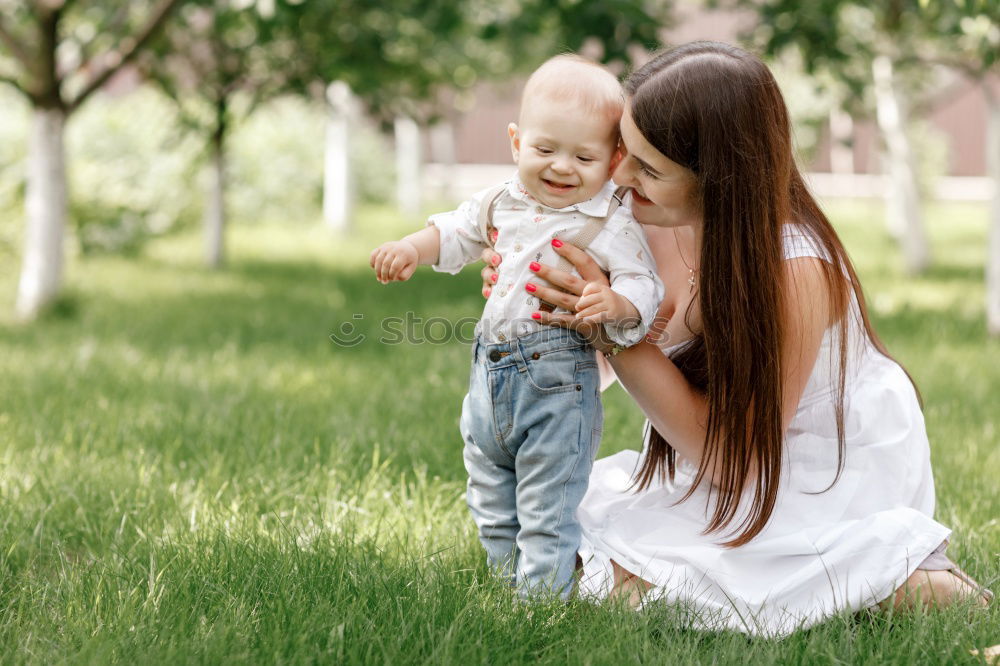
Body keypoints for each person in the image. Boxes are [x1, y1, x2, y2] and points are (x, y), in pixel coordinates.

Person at [476, 41, 992, 635]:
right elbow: (601, 370)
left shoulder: (797, 270)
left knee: (654, 589)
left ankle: (901, 579)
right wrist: (543, 305)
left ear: (718, 180)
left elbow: (735, 462)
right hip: (706, 453)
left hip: (806, 465)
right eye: (624, 150)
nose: (617, 177)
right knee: (543, 534)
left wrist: (616, 333)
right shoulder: (647, 216)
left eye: (648, 168)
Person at [369, 55, 664, 599]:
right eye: (545, 149)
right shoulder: (501, 201)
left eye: (583, 155)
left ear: (613, 157)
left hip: (557, 383)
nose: (561, 167)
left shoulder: (606, 219)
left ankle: (540, 606)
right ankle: (504, 588)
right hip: (490, 375)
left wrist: (616, 302)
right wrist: (412, 247)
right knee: (490, 492)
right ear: (516, 142)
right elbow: (456, 231)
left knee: (546, 503)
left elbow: (644, 283)